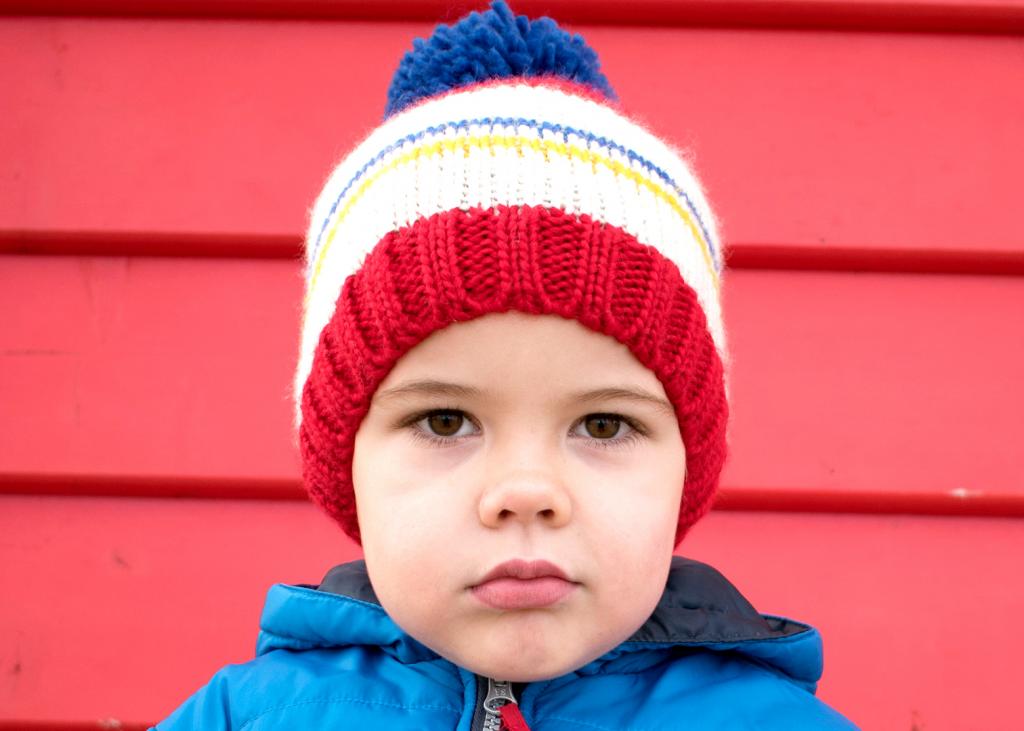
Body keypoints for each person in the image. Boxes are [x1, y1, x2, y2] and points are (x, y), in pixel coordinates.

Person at [153, 2, 857, 728]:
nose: (526, 492)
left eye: (604, 422)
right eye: (446, 419)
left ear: (687, 466)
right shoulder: (248, 716)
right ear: (346, 464)